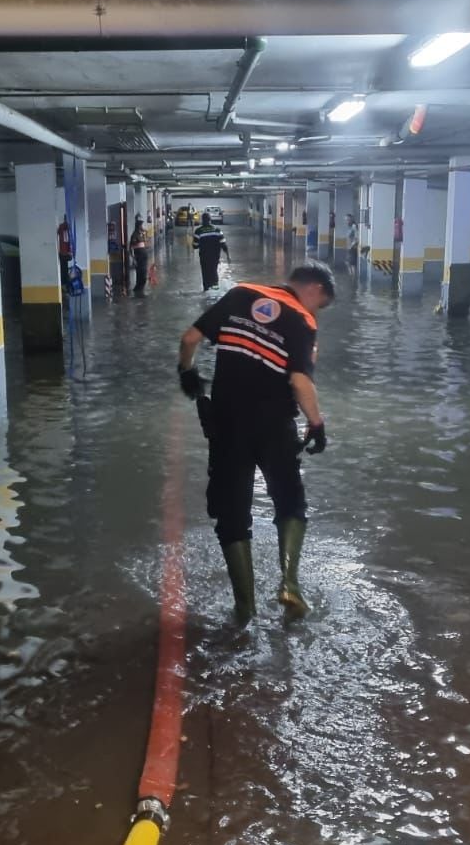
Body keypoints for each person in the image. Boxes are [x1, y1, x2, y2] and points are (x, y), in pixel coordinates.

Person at [176, 262, 336, 624]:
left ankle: (245, 611)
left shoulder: (240, 294)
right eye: (319, 304)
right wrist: (316, 424)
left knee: (231, 516)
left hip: (227, 424)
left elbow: (189, 339)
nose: (316, 313)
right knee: (291, 502)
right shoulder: (301, 321)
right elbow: (299, 381)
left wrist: (187, 373)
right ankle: (289, 584)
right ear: (312, 289)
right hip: (275, 426)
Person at [192, 212, 229, 290]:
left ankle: (206, 290)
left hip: (204, 257)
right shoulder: (217, 230)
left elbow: (195, 246)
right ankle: (215, 289)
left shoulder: (198, 231)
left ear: (202, 220)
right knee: (214, 271)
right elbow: (223, 245)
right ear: (210, 220)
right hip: (215, 257)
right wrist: (228, 256)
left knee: (205, 274)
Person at [129, 218, 150, 297]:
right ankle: (137, 292)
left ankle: (140, 291)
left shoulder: (141, 234)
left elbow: (145, 245)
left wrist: (145, 235)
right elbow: (131, 248)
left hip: (144, 257)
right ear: (138, 226)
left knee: (144, 275)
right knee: (140, 274)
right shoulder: (134, 235)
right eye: (141, 225)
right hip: (139, 258)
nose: (142, 227)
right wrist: (133, 259)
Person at [57, 216, 73, 287]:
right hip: (62, 253)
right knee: (63, 270)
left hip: (65, 253)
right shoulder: (62, 227)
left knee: (65, 269)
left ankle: (65, 284)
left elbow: (69, 242)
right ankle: (64, 284)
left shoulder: (67, 230)